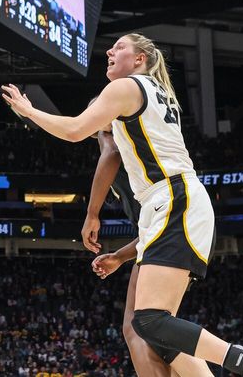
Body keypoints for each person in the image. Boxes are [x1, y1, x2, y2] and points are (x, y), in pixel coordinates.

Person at [1, 32, 243, 377]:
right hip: (174, 202)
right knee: (158, 330)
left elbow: (75, 130)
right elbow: (109, 147)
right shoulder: (154, 92)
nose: (110, 51)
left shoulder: (126, 88)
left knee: (148, 321)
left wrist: (28, 110)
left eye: (120, 46)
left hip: (173, 198)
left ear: (140, 58)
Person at [83, 127, 212, 377]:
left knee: (139, 326)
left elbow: (111, 151)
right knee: (160, 329)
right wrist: (120, 256)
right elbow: (148, 229)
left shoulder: (113, 140)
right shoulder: (140, 149)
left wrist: (92, 213)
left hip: (175, 225)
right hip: (181, 225)